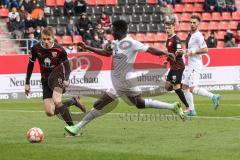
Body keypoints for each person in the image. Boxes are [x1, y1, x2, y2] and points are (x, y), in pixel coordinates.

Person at [65, 20, 186, 136]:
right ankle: (172, 106)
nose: (111, 32)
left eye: (113, 29)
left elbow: (150, 49)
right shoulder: (116, 43)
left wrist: (165, 53)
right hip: (125, 81)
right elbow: (106, 53)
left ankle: (76, 128)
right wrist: (87, 47)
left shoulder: (131, 42)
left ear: (120, 30)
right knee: (139, 103)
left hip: (123, 82)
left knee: (99, 104)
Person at [24, 26, 86, 128]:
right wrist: (27, 83)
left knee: (56, 100)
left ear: (53, 38)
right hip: (45, 80)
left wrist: (66, 79)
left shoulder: (60, 50)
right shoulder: (36, 48)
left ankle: (73, 128)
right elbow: (30, 65)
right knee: (50, 112)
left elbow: (67, 66)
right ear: (41, 38)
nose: (46, 41)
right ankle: (73, 101)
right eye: (44, 39)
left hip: (58, 78)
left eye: (48, 39)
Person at [178, 15, 221, 116]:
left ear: (198, 24)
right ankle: (192, 110)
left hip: (195, 65)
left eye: (194, 22)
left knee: (192, 88)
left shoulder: (198, 35)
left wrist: (192, 52)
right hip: (190, 65)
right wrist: (183, 52)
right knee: (184, 87)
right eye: (191, 22)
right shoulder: (191, 35)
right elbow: (190, 50)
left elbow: (205, 49)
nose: (192, 24)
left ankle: (213, 96)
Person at [164, 18, 190, 112]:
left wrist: (176, 55)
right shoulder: (168, 39)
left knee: (176, 87)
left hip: (178, 66)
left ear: (173, 28)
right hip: (173, 66)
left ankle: (188, 106)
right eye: (166, 28)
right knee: (167, 87)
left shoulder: (176, 39)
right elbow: (170, 53)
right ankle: (182, 85)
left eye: (169, 28)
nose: (167, 30)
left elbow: (180, 52)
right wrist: (167, 60)